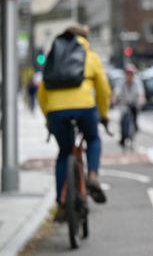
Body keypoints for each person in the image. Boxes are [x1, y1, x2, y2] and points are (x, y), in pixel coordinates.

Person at [37, 24, 111, 221]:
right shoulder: (90, 56)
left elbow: (41, 93)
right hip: (84, 106)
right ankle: (93, 175)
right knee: (93, 138)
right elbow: (104, 89)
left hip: (55, 110)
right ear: (85, 38)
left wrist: (48, 118)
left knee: (64, 152)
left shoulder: (54, 56)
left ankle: (61, 205)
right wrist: (104, 114)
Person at [113, 63, 146, 146]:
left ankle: (135, 127)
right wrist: (114, 99)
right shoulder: (121, 82)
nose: (129, 76)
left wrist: (142, 100)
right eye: (128, 74)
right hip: (124, 103)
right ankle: (123, 136)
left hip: (134, 103)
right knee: (122, 118)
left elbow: (141, 93)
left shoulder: (137, 82)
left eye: (131, 74)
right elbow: (116, 92)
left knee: (134, 115)